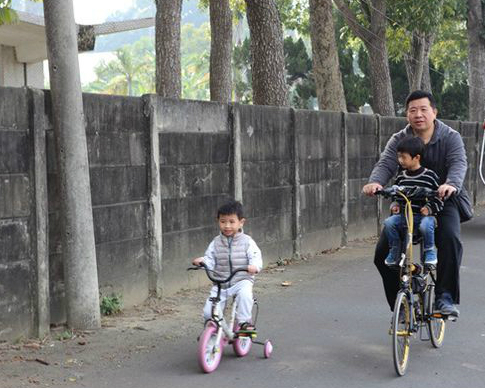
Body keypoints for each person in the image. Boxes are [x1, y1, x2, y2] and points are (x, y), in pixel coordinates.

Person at [363, 90, 467, 318]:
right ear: (407, 114)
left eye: (423, 109)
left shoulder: (450, 137)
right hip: (408, 202)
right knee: (381, 254)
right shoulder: (399, 139)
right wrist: (375, 183)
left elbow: (458, 164)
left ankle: (445, 298)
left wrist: (450, 184)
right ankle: (401, 306)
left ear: (434, 112)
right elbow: (386, 164)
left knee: (450, 239)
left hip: (441, 200)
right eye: (413, 110)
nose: (418, 114)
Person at [192, 200, 262, 329]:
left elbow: (255, 256)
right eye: (223, 221)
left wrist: (254, 266)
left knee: (245, 296)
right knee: (209, 312)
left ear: (241, 222)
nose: (227, 226)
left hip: (242, 280)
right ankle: (214, 331)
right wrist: (203, 262)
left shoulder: (247, 241)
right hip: (221, 282)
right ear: (218, 221)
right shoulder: (216, 242)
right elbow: (210, 258)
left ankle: (244, 322)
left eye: (231, 221)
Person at [382, 136, 443, 267]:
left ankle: (430, 251)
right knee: (389, 223)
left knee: (426, 225)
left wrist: (429, 208)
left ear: (416, 158)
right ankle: (395, 250)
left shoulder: (429, 176)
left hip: (422, 217)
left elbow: (438, 198)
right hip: (405, 217)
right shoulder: (401, 177)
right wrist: (395, 205)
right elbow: (396, 195)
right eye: (399, 157)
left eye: (404, 157)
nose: (400, 160)